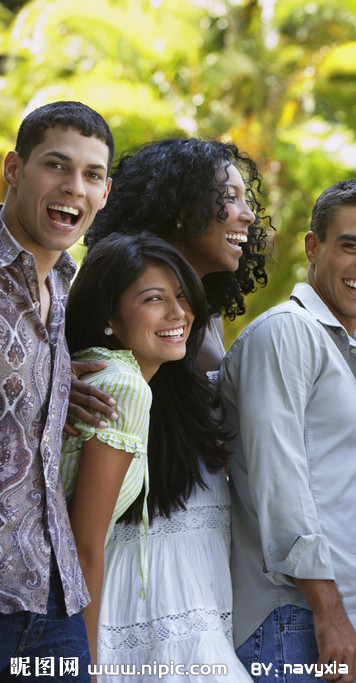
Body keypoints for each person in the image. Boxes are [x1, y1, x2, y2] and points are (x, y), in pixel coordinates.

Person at [78, 138, 271, 679]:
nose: (247, 214)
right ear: (183, 210)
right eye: (228, 197)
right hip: (142, 575)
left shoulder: (203, 319)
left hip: (201, 565)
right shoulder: (116, 317)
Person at [221, 178, 356, 683]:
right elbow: (280, 483)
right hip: (298, 619)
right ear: (312, 247)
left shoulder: (350, 353)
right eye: (351, 246)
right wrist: (328, 611)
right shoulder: (285, 332)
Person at [60, 233, 224, 671]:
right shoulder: (124, 385)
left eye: (182, 297)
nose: (180, 314)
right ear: (109, 316)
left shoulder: (104, 371)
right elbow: (84, 548)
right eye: (155, 299)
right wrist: (87, 667)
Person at [0, 100, 112, 680]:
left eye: (92, 175)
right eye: (56, 166)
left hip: (54, 593)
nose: (74, 187)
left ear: (106, 192)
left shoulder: (67, 287)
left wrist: (54, 387)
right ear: (14, 169)